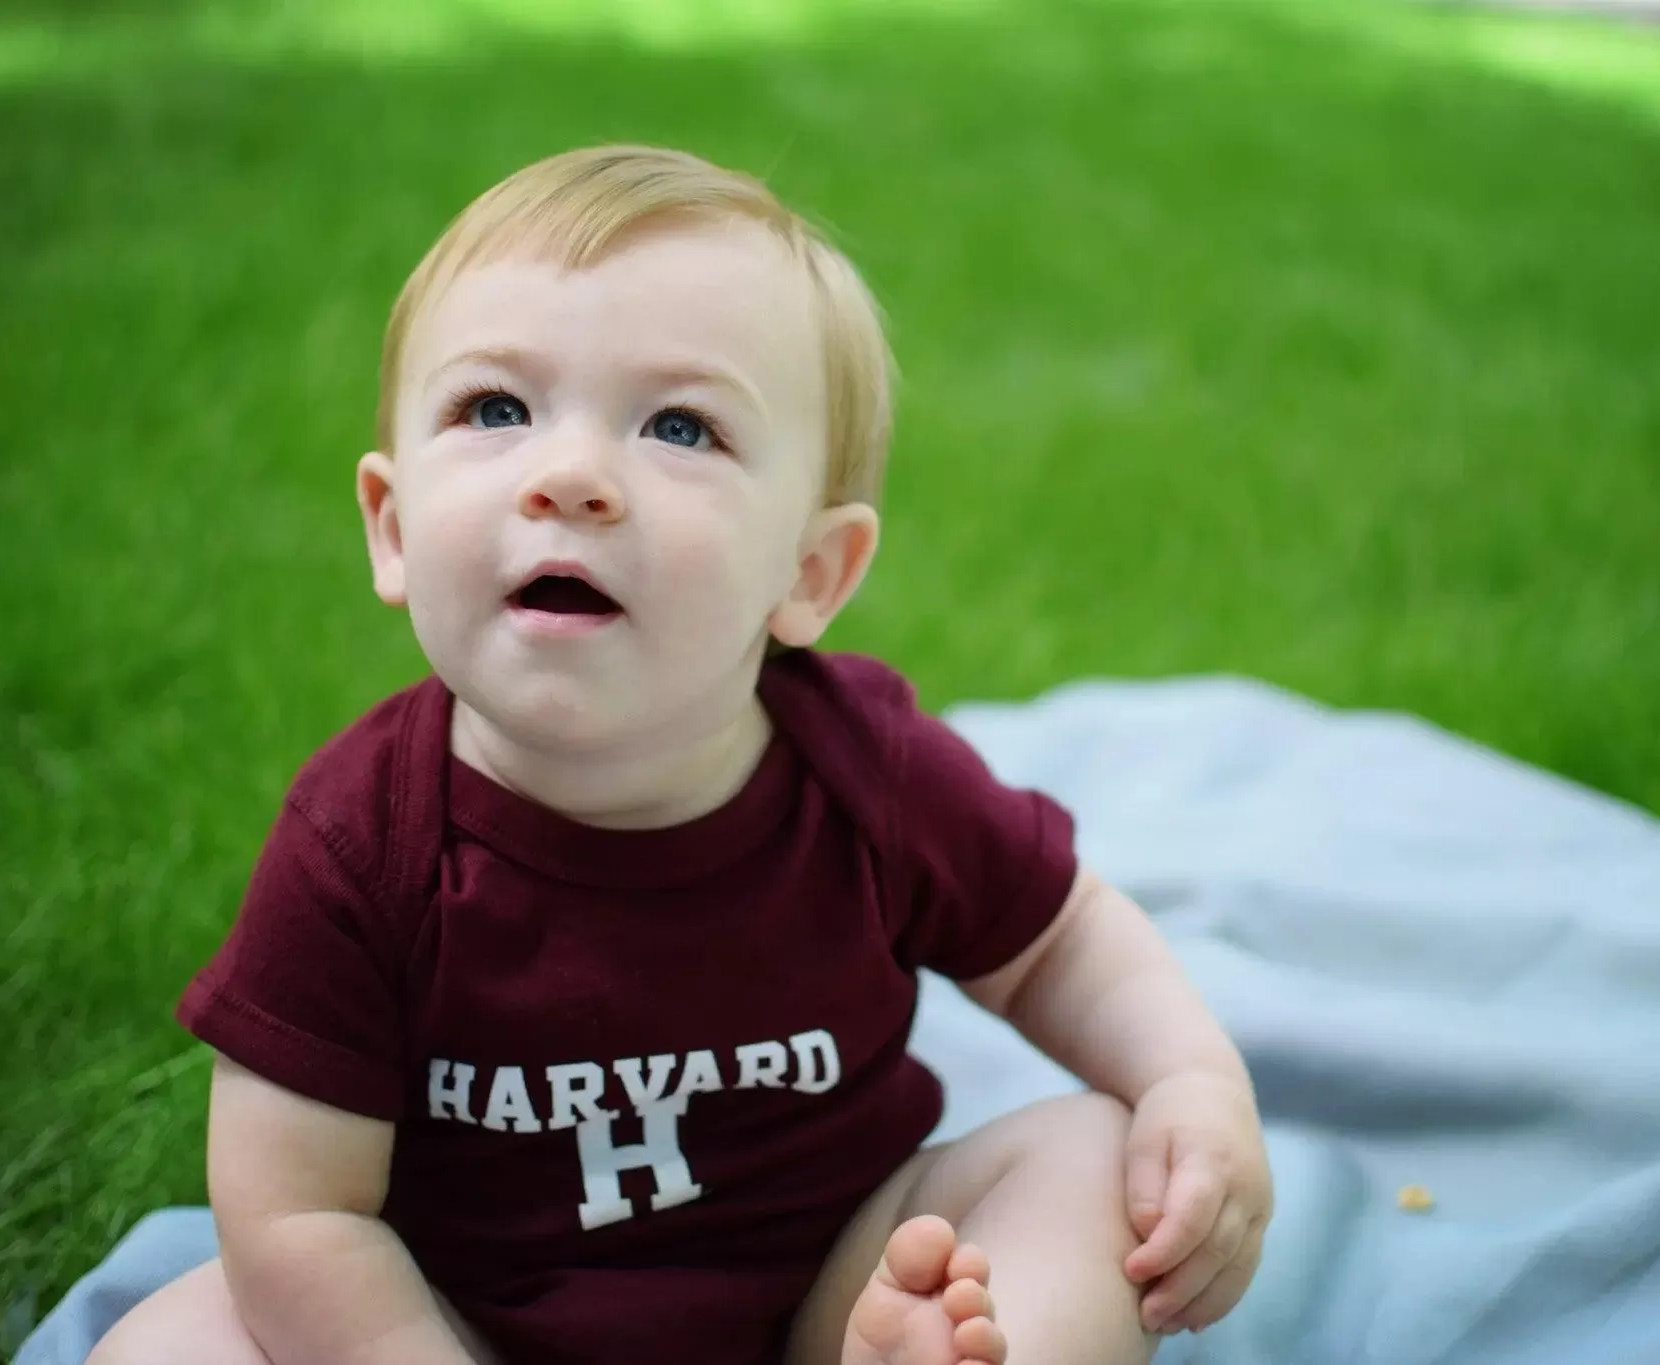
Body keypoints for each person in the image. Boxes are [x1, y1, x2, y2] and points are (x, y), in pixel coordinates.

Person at [91, 145, 1272, 1365]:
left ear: (809, 576)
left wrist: (1190, 1081)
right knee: (170, 1346)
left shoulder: (865, 771)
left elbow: (1058, 943)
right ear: (390, 529)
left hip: (834, 1285)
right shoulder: (362, 845)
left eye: (679, 426)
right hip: (461, 1320)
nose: (568, 479)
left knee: (1087, 1153)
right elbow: (300, 1210)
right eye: (495, 409)